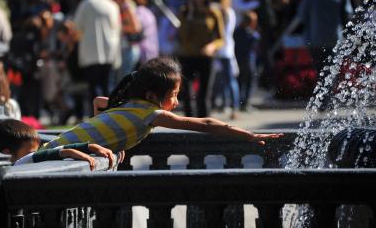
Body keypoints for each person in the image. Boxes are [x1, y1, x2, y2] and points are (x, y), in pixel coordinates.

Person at [41, 57, 282, 153]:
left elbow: (99, 102)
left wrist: (113, 142)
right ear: (153, 96)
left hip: (56, 147)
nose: (177, 102)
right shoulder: (150, 113)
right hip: (60, 154)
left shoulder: (127, 104)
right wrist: (247, 135)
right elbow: (204, 123)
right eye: (174, 95)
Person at [0, 119, 115, 170]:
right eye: (31, 152)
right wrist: (66, 153)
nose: (36, 154)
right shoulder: (12, 166)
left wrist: (87, 147)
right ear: (7, 155)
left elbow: (43, 153)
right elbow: (32, 158)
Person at [177, 0, 225, 117]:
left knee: (204, 94)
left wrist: (212, 46)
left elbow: (221, 39)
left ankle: (205, 124)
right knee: (187, 93)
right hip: (187, 56)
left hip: (206, 58)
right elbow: (183, 37)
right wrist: (190, 14)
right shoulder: (184, 11)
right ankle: (189, 123)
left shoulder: (213, 12)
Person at [74, 0, 121, 109]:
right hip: (109, 50)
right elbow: (117, 28)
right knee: (107, 85)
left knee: (93, 86)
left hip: (90, 52)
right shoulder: (112, 5)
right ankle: (110, 112)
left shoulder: (85, 3)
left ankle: (95, 114)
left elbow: (77, 27)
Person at [210, 0, 241, 119]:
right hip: (227, 49)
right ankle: (233, 107)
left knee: (217, 80)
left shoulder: (214, 9)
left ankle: (218, 105)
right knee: (229, 80)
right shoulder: (229, 11)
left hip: (217, 49)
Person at [234, 10, 260, 111]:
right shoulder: (250, 33)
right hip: (248, 60)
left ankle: (241, 102)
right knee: (248, 82)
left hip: (239, 59)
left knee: (241, 82)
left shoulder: (237, 31)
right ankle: (245, 103)